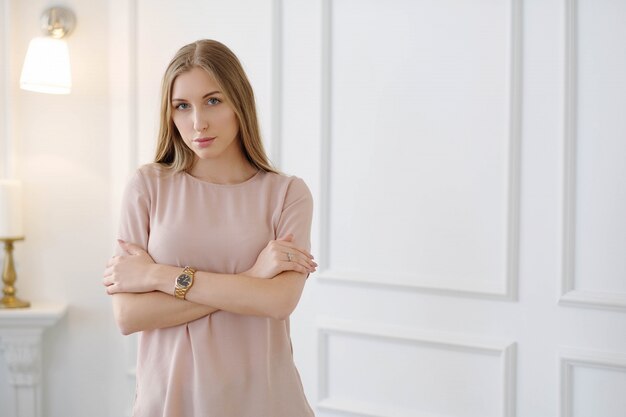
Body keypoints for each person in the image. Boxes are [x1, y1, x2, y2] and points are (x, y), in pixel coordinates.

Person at [102, 39, 316, 417]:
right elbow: (129, 317)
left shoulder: (287, 194)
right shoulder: (148, 186)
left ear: (239, 103)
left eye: (213, 101)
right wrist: (251, 278)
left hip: (265, 400)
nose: (197, 122)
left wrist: (155, 275)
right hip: (170, 400)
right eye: (182, 106)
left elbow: (277, 301)